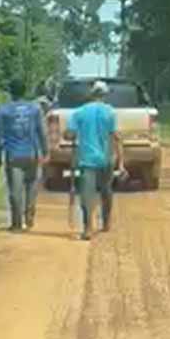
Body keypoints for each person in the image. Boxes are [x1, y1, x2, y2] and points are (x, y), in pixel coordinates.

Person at [67, 80, 124, 240]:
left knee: (87, 194)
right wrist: (121, 163)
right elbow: (117, 137)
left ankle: (88, 228)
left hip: (86, 160)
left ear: (91, 94)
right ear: (104, 95)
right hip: (106, 159)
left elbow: (70, 134)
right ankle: (106, 222)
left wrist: (69, 135)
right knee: (106, 191)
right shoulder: (110, 113)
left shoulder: (79, 113)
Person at [0, 79, 48, 232]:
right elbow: (42, 132)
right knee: (31, 187)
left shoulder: (3, 110)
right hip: (32, 154)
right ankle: (29, 218)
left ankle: (16, 224)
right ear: (25, 91)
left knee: (15, 191)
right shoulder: (35, 109)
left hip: (13, 156)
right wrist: (46, 152)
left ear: (10, 92)